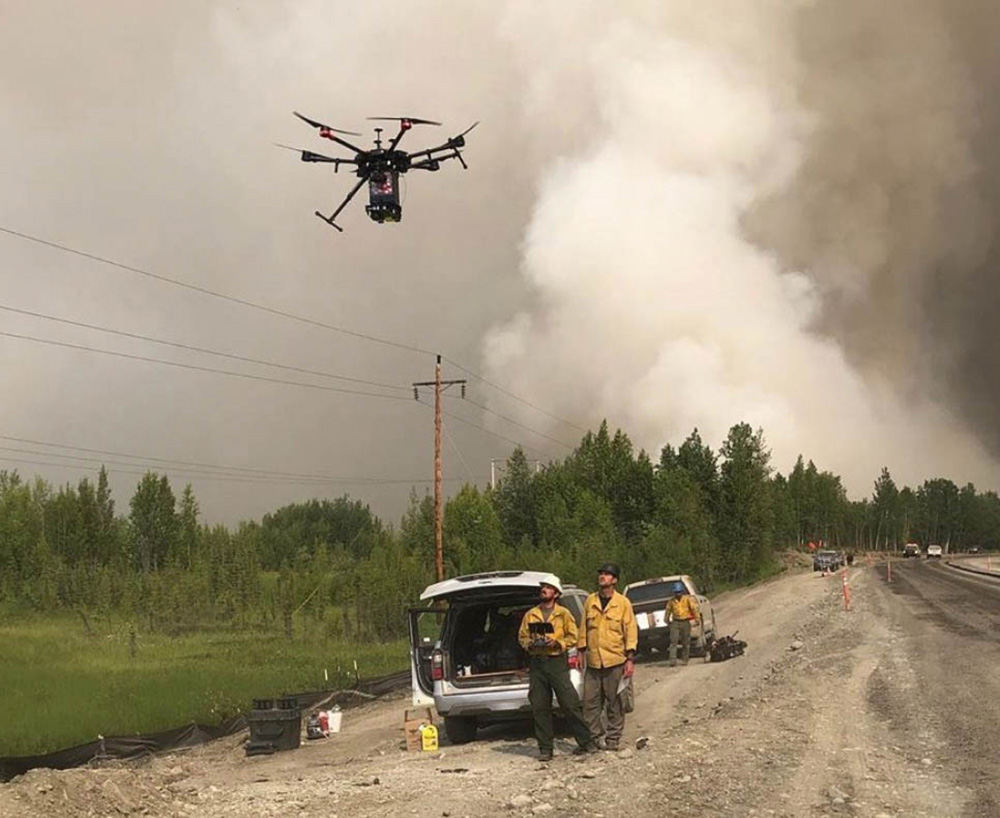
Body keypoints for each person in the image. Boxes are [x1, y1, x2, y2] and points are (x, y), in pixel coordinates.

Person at [518, 574, 596, 762]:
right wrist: (530, 644)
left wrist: (557, 643)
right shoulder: (531, 614)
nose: (543, 590)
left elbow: (573, 636)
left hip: (556, 662)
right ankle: (545, 749)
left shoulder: (563, 614)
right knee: (539, 706)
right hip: (537, 663)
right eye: (543, 587)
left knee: (569, 703)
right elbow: (522, 636)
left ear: (556, 593)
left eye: (548, 588)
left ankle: (586, 742)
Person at [578, 562, 638, 752]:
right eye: (601, 574)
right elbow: (583, 628)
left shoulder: (622, 603)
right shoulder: (590, 601)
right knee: (590, 703)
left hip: (615, 660)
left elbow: (631, 631)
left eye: (607, 574)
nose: (602, 577)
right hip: (594, 662)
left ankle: (613, 739)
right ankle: (594, 738)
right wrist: (581, 651)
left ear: (615, 580)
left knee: (616, 702)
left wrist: (630, 659)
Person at [665, 581, 700, 667]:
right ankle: (672, 660)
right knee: (673, 641)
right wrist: (667, 620)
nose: (678, 594)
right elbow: (668, 611)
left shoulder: (687, 599)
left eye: (679, 592)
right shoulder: (671, 601)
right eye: (676, 592)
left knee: (686, 641)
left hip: (685, 621)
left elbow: (694, 609)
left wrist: (697, 618)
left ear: (682, 592)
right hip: (675, 622)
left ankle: (685, 659)